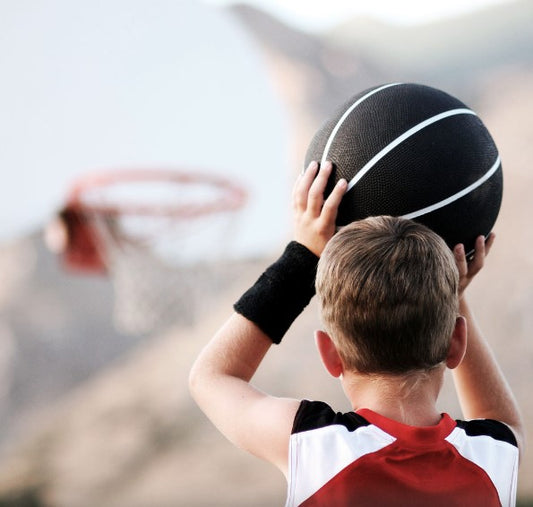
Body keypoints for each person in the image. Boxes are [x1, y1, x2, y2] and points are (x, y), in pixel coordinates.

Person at [189, 160, 524, 506]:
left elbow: (211, 377)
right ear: (457, 342)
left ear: (329, 353)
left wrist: (302, 256)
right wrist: (455, 298)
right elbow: (503, 422)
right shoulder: (491, 458)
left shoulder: (315, 447)